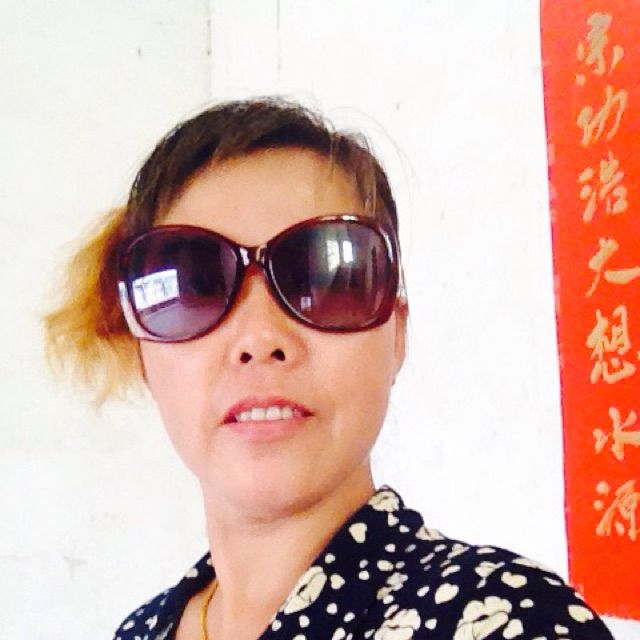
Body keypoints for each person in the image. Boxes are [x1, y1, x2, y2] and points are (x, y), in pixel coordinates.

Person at [44, 98, 614, 640]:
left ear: (396, 334)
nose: (261, 339)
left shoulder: (506, 621)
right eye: (197, 286)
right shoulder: (142, 630)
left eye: (324, 278)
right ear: (143, 353)